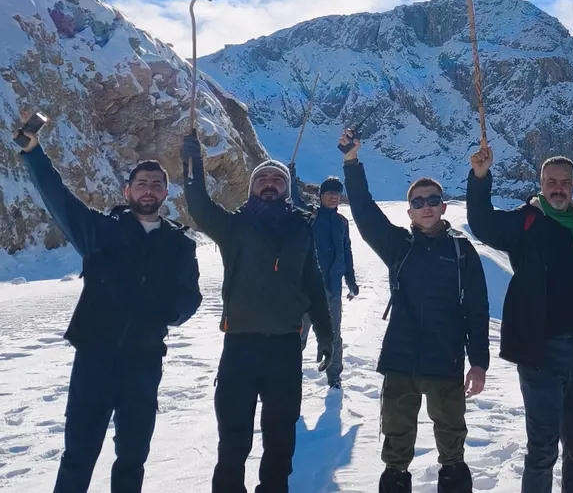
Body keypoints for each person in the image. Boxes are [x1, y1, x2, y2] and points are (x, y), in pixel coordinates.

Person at [18, 124, 202, 493]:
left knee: (132, 458)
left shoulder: (180, 244)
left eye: (156, 185)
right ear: (127, 191)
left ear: (165, 193)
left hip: (144, 363)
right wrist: (34, 152)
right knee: (78, 456)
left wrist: (168, 315)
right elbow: (58, 199)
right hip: (94, 360)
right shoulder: (101, 231)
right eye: (141, 183)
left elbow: (190, 296)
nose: (148, 190)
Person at [466, 141, 573, 493]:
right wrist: (480, 177)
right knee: (542, 448)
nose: (558, 188)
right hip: (540, 352)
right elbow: (482, 224)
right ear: (541, 185)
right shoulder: (526, 221)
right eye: (551, 181)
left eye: (564, 182)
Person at [181, 132, 333, 493]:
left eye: (277, 179)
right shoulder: (233, 226)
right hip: (240, 347)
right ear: (251, 188)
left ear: (286, 189)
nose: (269, 183)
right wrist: (193, 163)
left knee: (280, 439)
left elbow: (314, 283)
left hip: (285, 348)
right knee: (233, 440)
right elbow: (199, 205)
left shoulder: (301, 228)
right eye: (262, 178)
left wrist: (326, 334)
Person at [339, 130, 488, 493]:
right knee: (396, 450)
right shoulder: (398, 245)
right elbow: (365, 213)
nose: (426, 206)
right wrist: (352, 162)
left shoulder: (461, 251)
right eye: (418, 202)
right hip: (400, 361)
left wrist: (479, 362)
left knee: (452, 448)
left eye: (433, 200)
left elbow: (477, 309)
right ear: (409, 211)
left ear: (443, 207)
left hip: (445, 361)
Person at [289, 166, 359, 390]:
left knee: (333, 334)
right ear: (321, 196)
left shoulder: (342, 222)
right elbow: (294, 200)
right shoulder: (311, 215)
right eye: (329, 193)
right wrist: (291, 177)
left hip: (333, 288)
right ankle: (288, 371)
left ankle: (334, 376)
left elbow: (346, 251)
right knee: (298, 332)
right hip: (308, 287)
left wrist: (351, 280)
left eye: (337, 193)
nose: (333, 197)